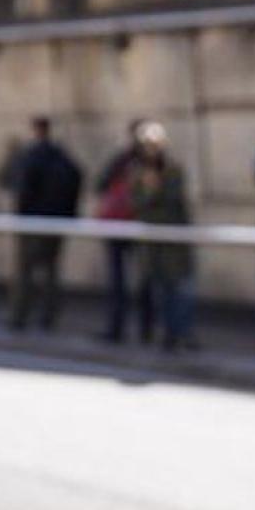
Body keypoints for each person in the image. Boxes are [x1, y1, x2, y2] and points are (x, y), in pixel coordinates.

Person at [10, 117, 84, 332]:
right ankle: (48, 317)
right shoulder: (60, 156)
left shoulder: (32, 155)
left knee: (26, 270)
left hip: (34, 221)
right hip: (56, 221)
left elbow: (22, 188)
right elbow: (77, 176)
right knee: (51, 270)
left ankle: (20, 316)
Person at [132, 123, 197, 351]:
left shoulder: (173, 170)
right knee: (155, 291)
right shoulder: (138, 174)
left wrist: (156, 189)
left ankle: (181, 333)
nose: (153, 150)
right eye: (149, 146)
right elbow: (138, 205)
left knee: (179, 291)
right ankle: (159, 333)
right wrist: (149, 190)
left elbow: (174, 202)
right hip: (152, 243)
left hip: (174, 241)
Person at [95, 119, 150, 344]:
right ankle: (140, 329)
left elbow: (100, 185)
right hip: (131, 226)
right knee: (138, 280)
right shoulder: (135, 161)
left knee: (132, 280)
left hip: (129, 226)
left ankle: (122, 328)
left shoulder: (126, 160)